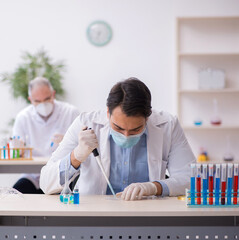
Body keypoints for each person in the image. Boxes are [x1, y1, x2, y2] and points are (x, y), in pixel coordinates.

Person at [40, 77, 196, 200]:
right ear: (108, 113)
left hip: (147, 215)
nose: (126, 136)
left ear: (148, 118)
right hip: (94, 218)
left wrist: (155, 187)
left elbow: (191, 179)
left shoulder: (168, 125)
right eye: (118, 128)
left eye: (136, 129)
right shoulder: (85, 123)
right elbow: (46, 183)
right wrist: (76, 156)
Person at [12, 77, 79, 194]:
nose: (43, 104)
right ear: (30, 99)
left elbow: (82, 147)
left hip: (61, 175)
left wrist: (69, 141)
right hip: (33, 176)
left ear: (53, 94)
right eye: (37, 101)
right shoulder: (23, 117)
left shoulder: (70, 112)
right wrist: (18, 150)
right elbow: (16, 153)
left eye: (47, 99)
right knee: (14, 197)